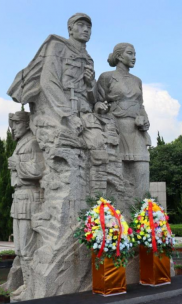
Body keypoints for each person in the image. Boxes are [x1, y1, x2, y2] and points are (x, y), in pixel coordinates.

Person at [7, 13, 109, 195]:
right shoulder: (57, 47)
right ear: (70, 29)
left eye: (89, 26)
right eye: (81, 25)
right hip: (59, 111)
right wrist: (68, 115)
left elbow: (92, 96)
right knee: (69, 149)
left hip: (84, 111)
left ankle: (97, 204)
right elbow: (48, 82)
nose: (86, 29)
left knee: (100, 150)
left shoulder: (88, 58)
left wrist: (89, 82)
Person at [97, 43, 151, 200]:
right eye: (130, 53)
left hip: (136, 129)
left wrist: (145, 119)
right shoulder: (106, 77)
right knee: (116, 168)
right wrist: (99, 106)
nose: (134, 57)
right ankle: (115, 213)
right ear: (119, 56)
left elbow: (141, 105)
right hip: (116, 127)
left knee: (142, 167)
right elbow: (96, 101)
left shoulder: (137, 81)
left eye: (135, 54)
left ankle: (143, 212)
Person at [8, 111, 45, 300]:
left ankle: (31, 286)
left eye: (16, 124)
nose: (13, 128)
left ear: (26, 123)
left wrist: (18, 164)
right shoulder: (20, 143)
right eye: (12, 124)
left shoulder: (32, 142)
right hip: (20, 197)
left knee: (28, 248)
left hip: (30, 197)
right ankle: (25, 284)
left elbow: (39, 169)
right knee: (20, 248)